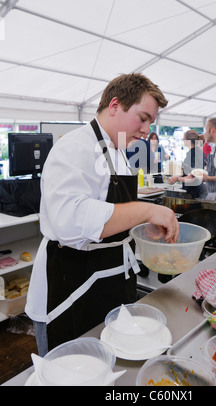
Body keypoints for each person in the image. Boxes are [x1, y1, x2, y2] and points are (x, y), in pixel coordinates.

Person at [25, 73, 179, 355]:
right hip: (69, 292)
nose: (146, 130)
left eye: (150, 123)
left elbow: (113, 215)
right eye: (142, 118)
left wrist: (143, 226)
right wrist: (145, 210)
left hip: (107, 288)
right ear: (115, 105)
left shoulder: (117, 151)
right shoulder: (75, 148)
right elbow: (70, 222)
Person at [168, 130, 207, 199]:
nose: (183, 140)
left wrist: (177, 178)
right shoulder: (194, 152)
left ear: (188, 141)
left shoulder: (194, 154)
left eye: (184, 139)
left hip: (195, 193)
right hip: (195, 191)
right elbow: (188, 172)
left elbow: (192, 178)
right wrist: (176, 178)